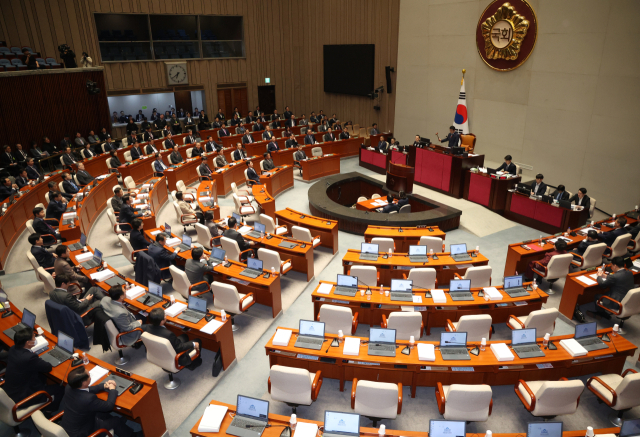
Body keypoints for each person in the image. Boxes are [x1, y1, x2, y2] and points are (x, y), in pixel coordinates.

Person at [61, 366, 140, 437]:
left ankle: (119, 425)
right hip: (83, 432)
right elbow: (109, 406)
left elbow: (86, 390)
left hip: (71, 425)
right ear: (84, 382)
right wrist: (112, 390)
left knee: (101, 412)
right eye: (89, 376)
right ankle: (133, 435)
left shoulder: (69, 387)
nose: (90, 377)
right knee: (116, 421)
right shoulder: (88, 399)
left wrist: (103, 386)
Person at [4, 327, 65, 414]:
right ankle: (49, 411)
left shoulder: (13, 349)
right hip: (24, 397)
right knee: (60, 388)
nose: (36, 338)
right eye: (34, 337)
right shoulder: (28, 358)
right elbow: (48, 367)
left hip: (12, 391)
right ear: (28, 343)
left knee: (43, 376)